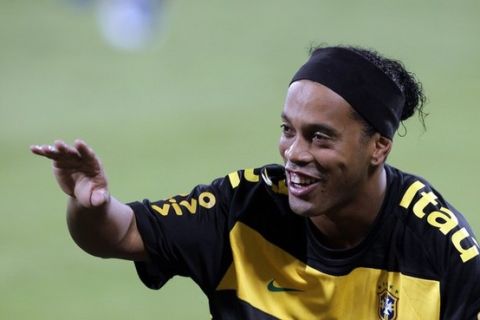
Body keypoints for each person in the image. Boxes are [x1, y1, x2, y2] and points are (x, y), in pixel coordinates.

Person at [31, 45, 480, 319]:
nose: (294, 154)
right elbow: (122, 232)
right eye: (288, 131)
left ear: (378, 147)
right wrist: (88, 205)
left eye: (319, 137)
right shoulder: (244, 207)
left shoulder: (442, 251)